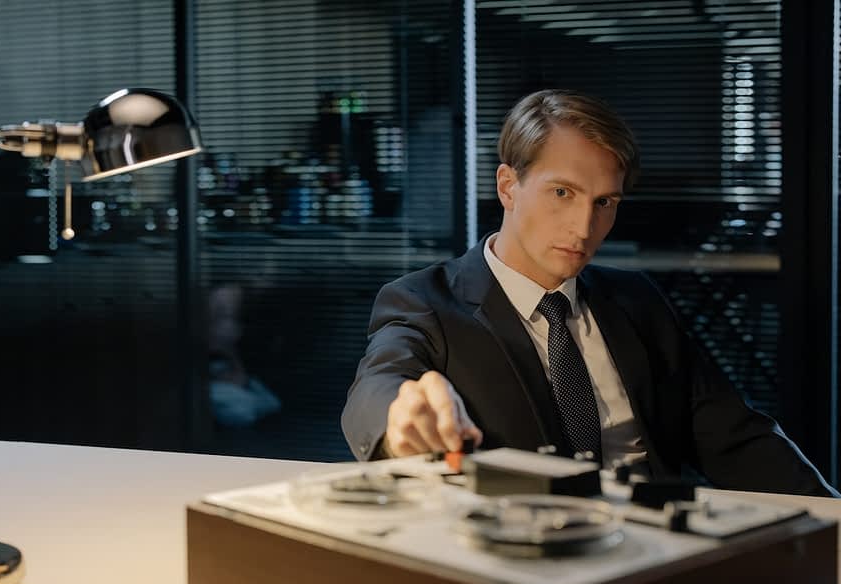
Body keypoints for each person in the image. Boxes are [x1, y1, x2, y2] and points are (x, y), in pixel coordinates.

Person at [341, 89, 838, 497]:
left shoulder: (636, 299)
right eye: (563, 193)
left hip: (654, 557)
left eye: (605, 202)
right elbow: (379, 384)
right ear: (508, 186)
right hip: (525, 567)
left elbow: (737, 437)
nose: (584, 227)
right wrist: (398, 414)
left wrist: (831, 519)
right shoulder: (425, 301)